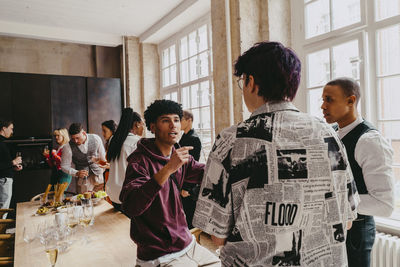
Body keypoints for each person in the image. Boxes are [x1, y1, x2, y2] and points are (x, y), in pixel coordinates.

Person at [193, 42, 359, 266]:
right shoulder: (328, 134)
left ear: (251, 82)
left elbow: (218, 236)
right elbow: (347, 220)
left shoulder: (232, 139)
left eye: (242, 82)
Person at [119, 100, 220, 267]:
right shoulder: (139, 161)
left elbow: (205, 172)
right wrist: (168, 169)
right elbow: (131, 206)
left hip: (187, 243)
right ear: (152, 127)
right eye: (165, 120)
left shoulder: (177, 153)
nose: (173, 125)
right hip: (159, 254)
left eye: (176, 120)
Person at [321, 77, 394, 267]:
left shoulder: (369, 141)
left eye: (329, 99)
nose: (322, 106)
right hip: (331, 230)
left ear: (350, 101)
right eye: (323, 99)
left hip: (356, 235)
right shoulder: (331, 132)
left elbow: (384, 205)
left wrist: (334, 201)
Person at [106, 108, 144, 211]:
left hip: (113, 192)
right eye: (143, 124)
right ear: (137, 124)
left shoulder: (113, 139)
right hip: (127, 193)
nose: (144, 128)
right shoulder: (137, 142)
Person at [61, 123, 106, 193]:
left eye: (77, 138)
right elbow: (64, 166)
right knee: (84, 202)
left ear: (84, 133)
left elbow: (103, 159)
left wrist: (101, 169)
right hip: (83, 181)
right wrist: (76, 173)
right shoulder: (67, 147)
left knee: (101, 201)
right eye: (73, 139)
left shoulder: (96, 138)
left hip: (99, 178)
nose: (75, 141)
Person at [179, 110, 202, 229]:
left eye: (181, 119)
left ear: (189, 120)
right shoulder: (184, 136)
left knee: (190, 217)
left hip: (189, 184)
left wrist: (187, 187)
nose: (179, 123)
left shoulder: (194, 139)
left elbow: (193, 166)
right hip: (182, 180)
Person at [0, 119, 22, 216]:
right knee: (3, 208)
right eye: (11, 129)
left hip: (4, 178)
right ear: (4, 128)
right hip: (4, 180)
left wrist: (13, 167)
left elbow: (3, 163)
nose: (12, 132)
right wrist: (13, 162)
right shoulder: (1, 143)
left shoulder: (4, 142)